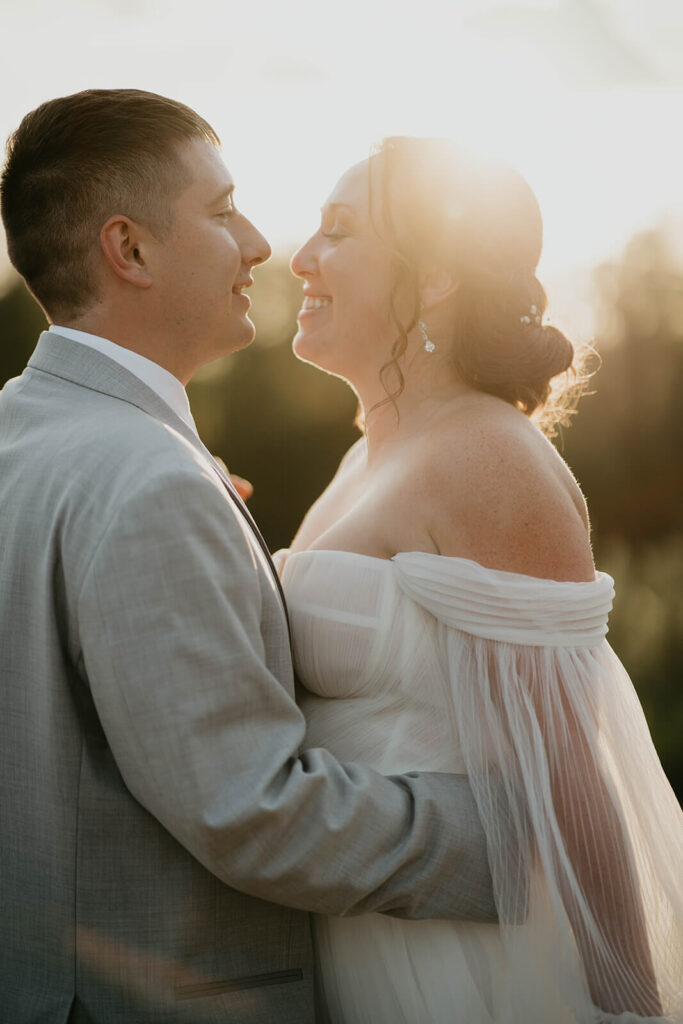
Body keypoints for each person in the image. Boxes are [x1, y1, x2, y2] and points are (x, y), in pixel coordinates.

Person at [0, 94, 500, 1024]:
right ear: (131, 250)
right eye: (223, 210)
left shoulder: (25, 434)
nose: (261, 243)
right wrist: (508, 839)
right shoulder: (145, 482)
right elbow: (251, 811)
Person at [283, 136, 683, 1023]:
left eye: (338, 231)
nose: (301, 256)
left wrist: (628, 1006)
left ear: (433, 281)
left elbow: (570, 774)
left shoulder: (488, 456)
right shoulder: (367, 451)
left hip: (463, 969)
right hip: (363, 937)